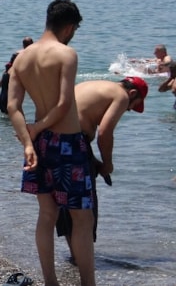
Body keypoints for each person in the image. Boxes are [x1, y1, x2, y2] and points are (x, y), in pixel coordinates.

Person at [6, 0, 94, 286]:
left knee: (46, 215)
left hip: (39, 145)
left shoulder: (22, 58)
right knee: (82, 220)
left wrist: (29, 142)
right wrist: (41, 125)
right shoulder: (66, 54)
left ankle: (51, 282)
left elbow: (12, 107)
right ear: (69, 27)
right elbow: (65, 102)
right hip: (68, 143)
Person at [56, 77, 148, 262]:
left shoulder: (94, 85)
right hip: (74, 142)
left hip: (53, 139)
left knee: (65, 199)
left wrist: (92, 159)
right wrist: (107, 164)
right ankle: (83, 259)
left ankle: (76, 255)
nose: (128, 109)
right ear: (132, 93)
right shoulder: (121, 95)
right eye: (133, 106)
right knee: (84, 204)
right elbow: (105, 133)